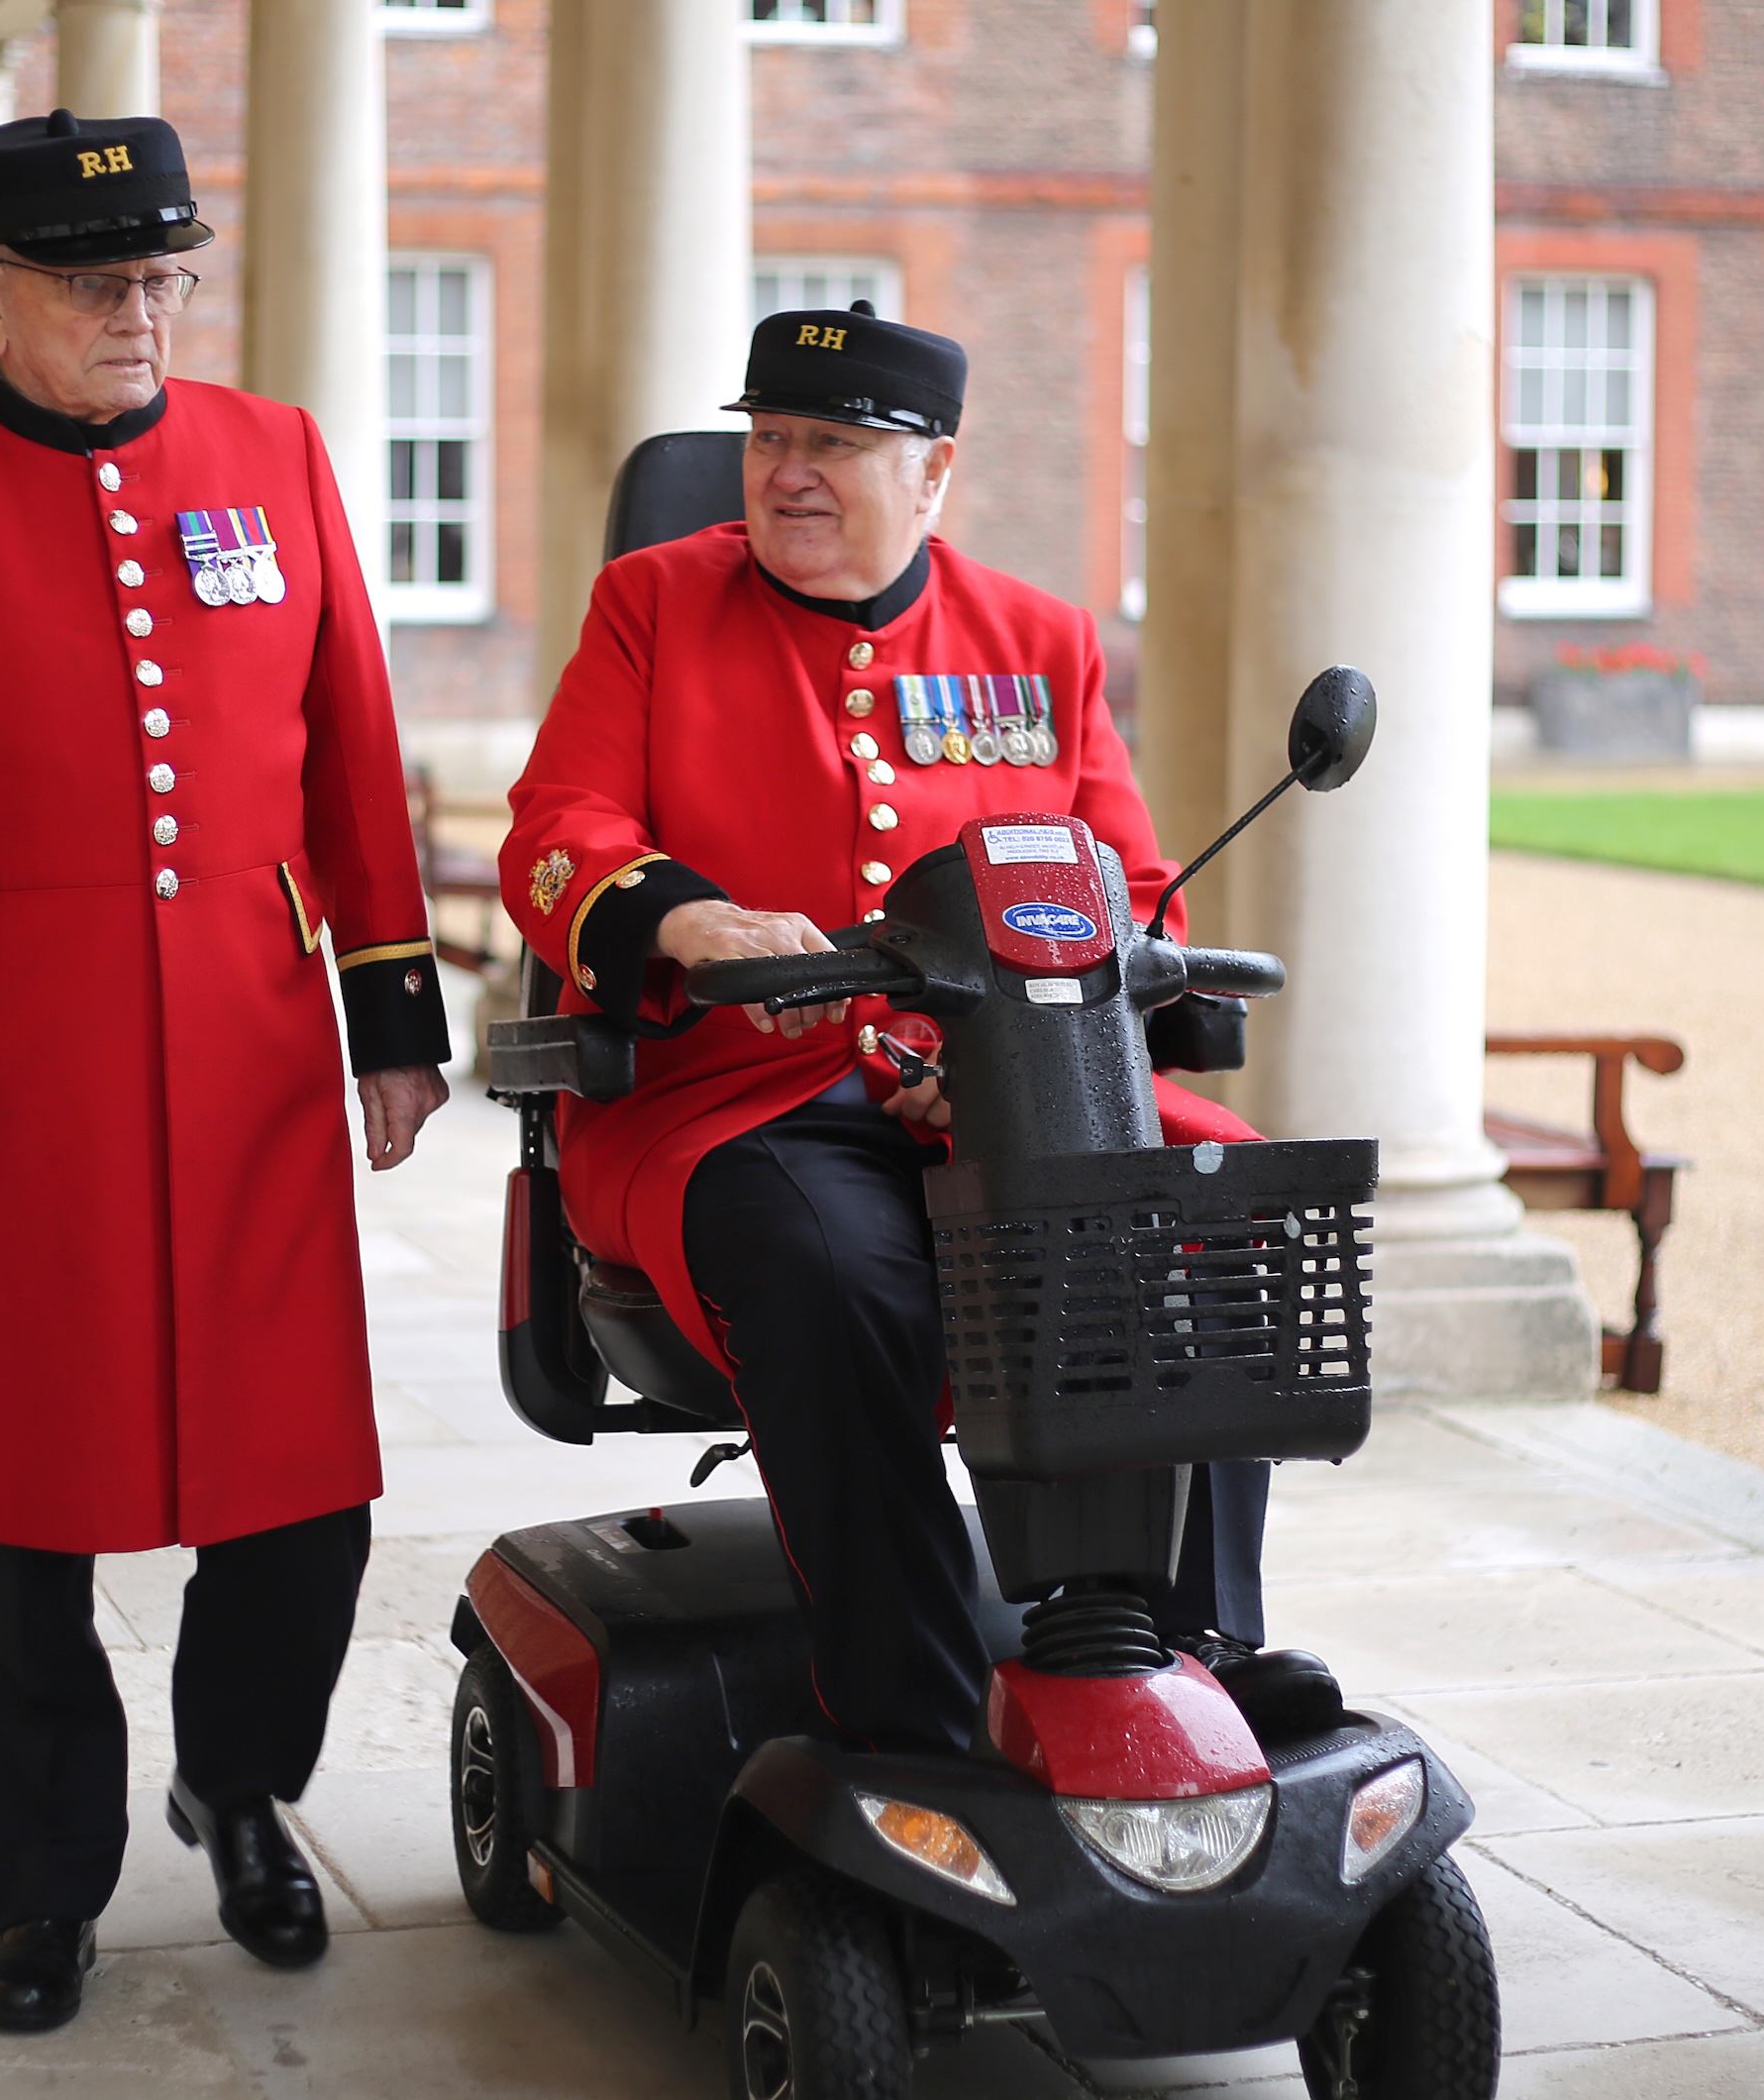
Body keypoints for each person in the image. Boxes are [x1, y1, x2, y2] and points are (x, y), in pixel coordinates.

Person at [0, 108, 451, 2034]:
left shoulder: (273, 455)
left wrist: (387, 1011)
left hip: (251, 1059)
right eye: (104, 283)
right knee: (4, 1505)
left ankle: (242, 1785)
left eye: (166, 277)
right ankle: (40, 1890)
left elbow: (349, 750)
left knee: (301, 1493)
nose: (148, 311)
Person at [498, 306, 1341, 1757]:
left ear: (934, 474)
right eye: (769, 440)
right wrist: (689, 921)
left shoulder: (1042, 642)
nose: (788, 473)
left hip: (1005, 1089)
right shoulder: (651, 603)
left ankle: (1187, 1642)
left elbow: (1124, 889)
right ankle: (904, 1707)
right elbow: (558, 833)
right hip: (727, 1096)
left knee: (1223, 1208)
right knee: (842, 1269)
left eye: (835, 444)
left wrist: (1028, 1047)